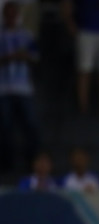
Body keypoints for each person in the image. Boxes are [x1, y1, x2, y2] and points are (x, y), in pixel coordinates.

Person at [0, 0, 40, 174]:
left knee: (31, 125)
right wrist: (11, 57)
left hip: (23, 87)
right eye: (7, 13)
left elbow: (35, 56)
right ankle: (6, 163)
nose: (10, 16)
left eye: (13, 13)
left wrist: (23, 56)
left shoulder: (26, 35)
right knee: (4, 126)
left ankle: (32, 161)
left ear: (17, 15)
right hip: (3, 88)